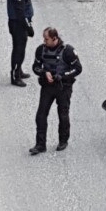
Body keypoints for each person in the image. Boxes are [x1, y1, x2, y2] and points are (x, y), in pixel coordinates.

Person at [29, 27, 82, 155]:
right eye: (44, 38)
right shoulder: (41, 50)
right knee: (41, 115)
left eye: (46, 39)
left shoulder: (68, 51)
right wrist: (44, 72)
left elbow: (78, 69)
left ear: (55, 38)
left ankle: (63, 141)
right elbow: (35, 67)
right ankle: (40, 145)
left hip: (63, 87)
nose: (44, 41)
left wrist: (63, 76)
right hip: (47, 87)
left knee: (63, 114)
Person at [6, 0, 34, 87]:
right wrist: (28, 28)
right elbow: (20, 13)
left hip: (20, 24)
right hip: (18, 25)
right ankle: (15, 76)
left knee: (20, 48)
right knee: (19, 50)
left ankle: (19, 70)